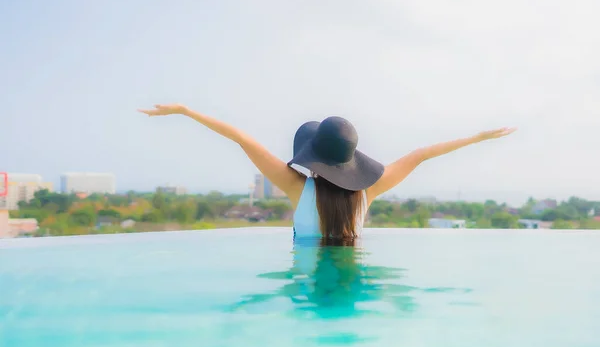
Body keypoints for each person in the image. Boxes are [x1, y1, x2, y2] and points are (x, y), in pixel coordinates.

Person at [138, 104, 516, 242]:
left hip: (305, 283)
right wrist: (478, 137)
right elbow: (421, 155)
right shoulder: (368, 191)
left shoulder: (294, 186)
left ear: (312, 158)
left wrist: (186, 112)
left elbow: (241, 139)